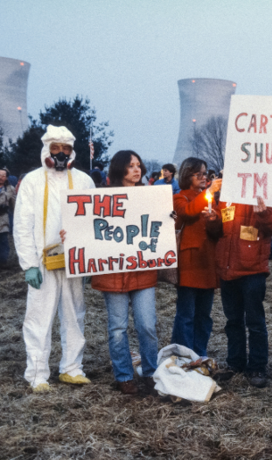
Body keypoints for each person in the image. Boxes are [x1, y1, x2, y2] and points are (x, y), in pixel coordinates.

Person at [13, 125, 95, 392]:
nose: (61, 154)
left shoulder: (84, 180)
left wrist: (92, 257)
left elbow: (96, 220)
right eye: (56, 149)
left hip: (74, 260)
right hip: (42, 261)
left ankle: (72, 368)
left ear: (72, 151)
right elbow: (22, 224)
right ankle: (37, 373)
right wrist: (29, 264)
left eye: (66, 149)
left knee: (75, 315)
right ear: (46, 150)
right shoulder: (33, 181)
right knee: (39, 316)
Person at [90, 151, 159, 395]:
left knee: (147, 325)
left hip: (142, 270)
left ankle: (152, 373)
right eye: (131, 166)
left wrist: (169, 218)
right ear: (120, 169)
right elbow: (87, 229)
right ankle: (124, 375)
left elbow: (158, 227)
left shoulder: (152, 197)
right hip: (112, 273)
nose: (136, 170)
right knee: (117, 328)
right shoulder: (100, 197)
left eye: (139, 165)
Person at [203, 190, 272, 388]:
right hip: (227, 267)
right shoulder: (227, 194)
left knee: (255, 321)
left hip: (253, 269)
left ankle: (257, 366)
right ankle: (235, 363)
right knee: (233, 321)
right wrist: (213, 220)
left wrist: (264, 213)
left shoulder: (269, 192)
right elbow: (216, 232)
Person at [171, 157, 222, 358]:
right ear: (187, 175)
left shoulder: (210, 199)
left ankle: (199, 352)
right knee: (186, 314)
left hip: (207, 262)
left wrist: (214, 219)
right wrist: (208, 193)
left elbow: (218, 231)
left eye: (205, 173)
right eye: (198, 174)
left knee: (204, 315)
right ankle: (183, 353)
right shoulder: (180, 197)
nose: (203, 177)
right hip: (189, 264)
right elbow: (188, 212)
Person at [0, 168, 17, 267]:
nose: (0, 177)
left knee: (3, 241)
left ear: (6, 178)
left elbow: (14, 205)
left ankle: (3, 262)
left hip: (3, 219)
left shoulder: (10, 189)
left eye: (3, 175)